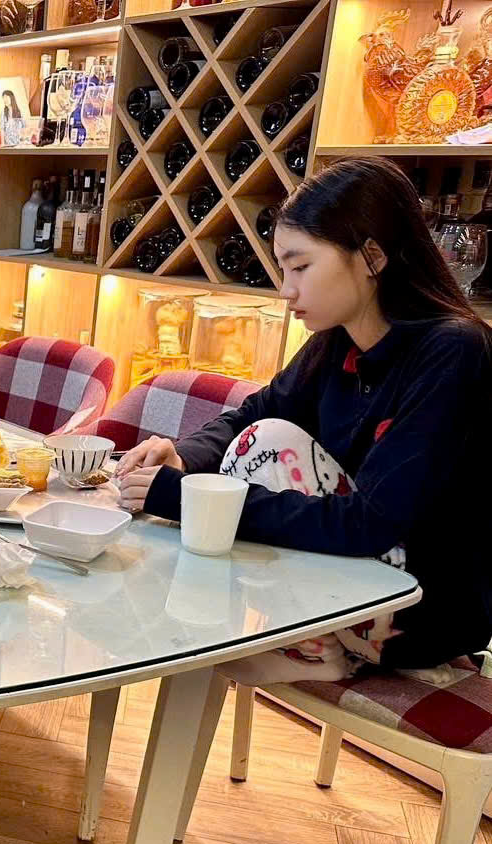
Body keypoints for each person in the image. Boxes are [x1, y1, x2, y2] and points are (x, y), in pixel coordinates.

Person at [115, 156, 492, 684]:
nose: (286, 290)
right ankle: (298, 643)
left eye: (301, 267)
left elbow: (370, 523)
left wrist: (187, 497)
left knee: (265, 445)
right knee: (257, 436)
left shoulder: (453, 349)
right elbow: (257, 408)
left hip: (420, 608)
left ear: (372, 257)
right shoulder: (337, 340)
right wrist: (182, 456)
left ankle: (306, 649)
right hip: (354, 581)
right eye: (282, 269)